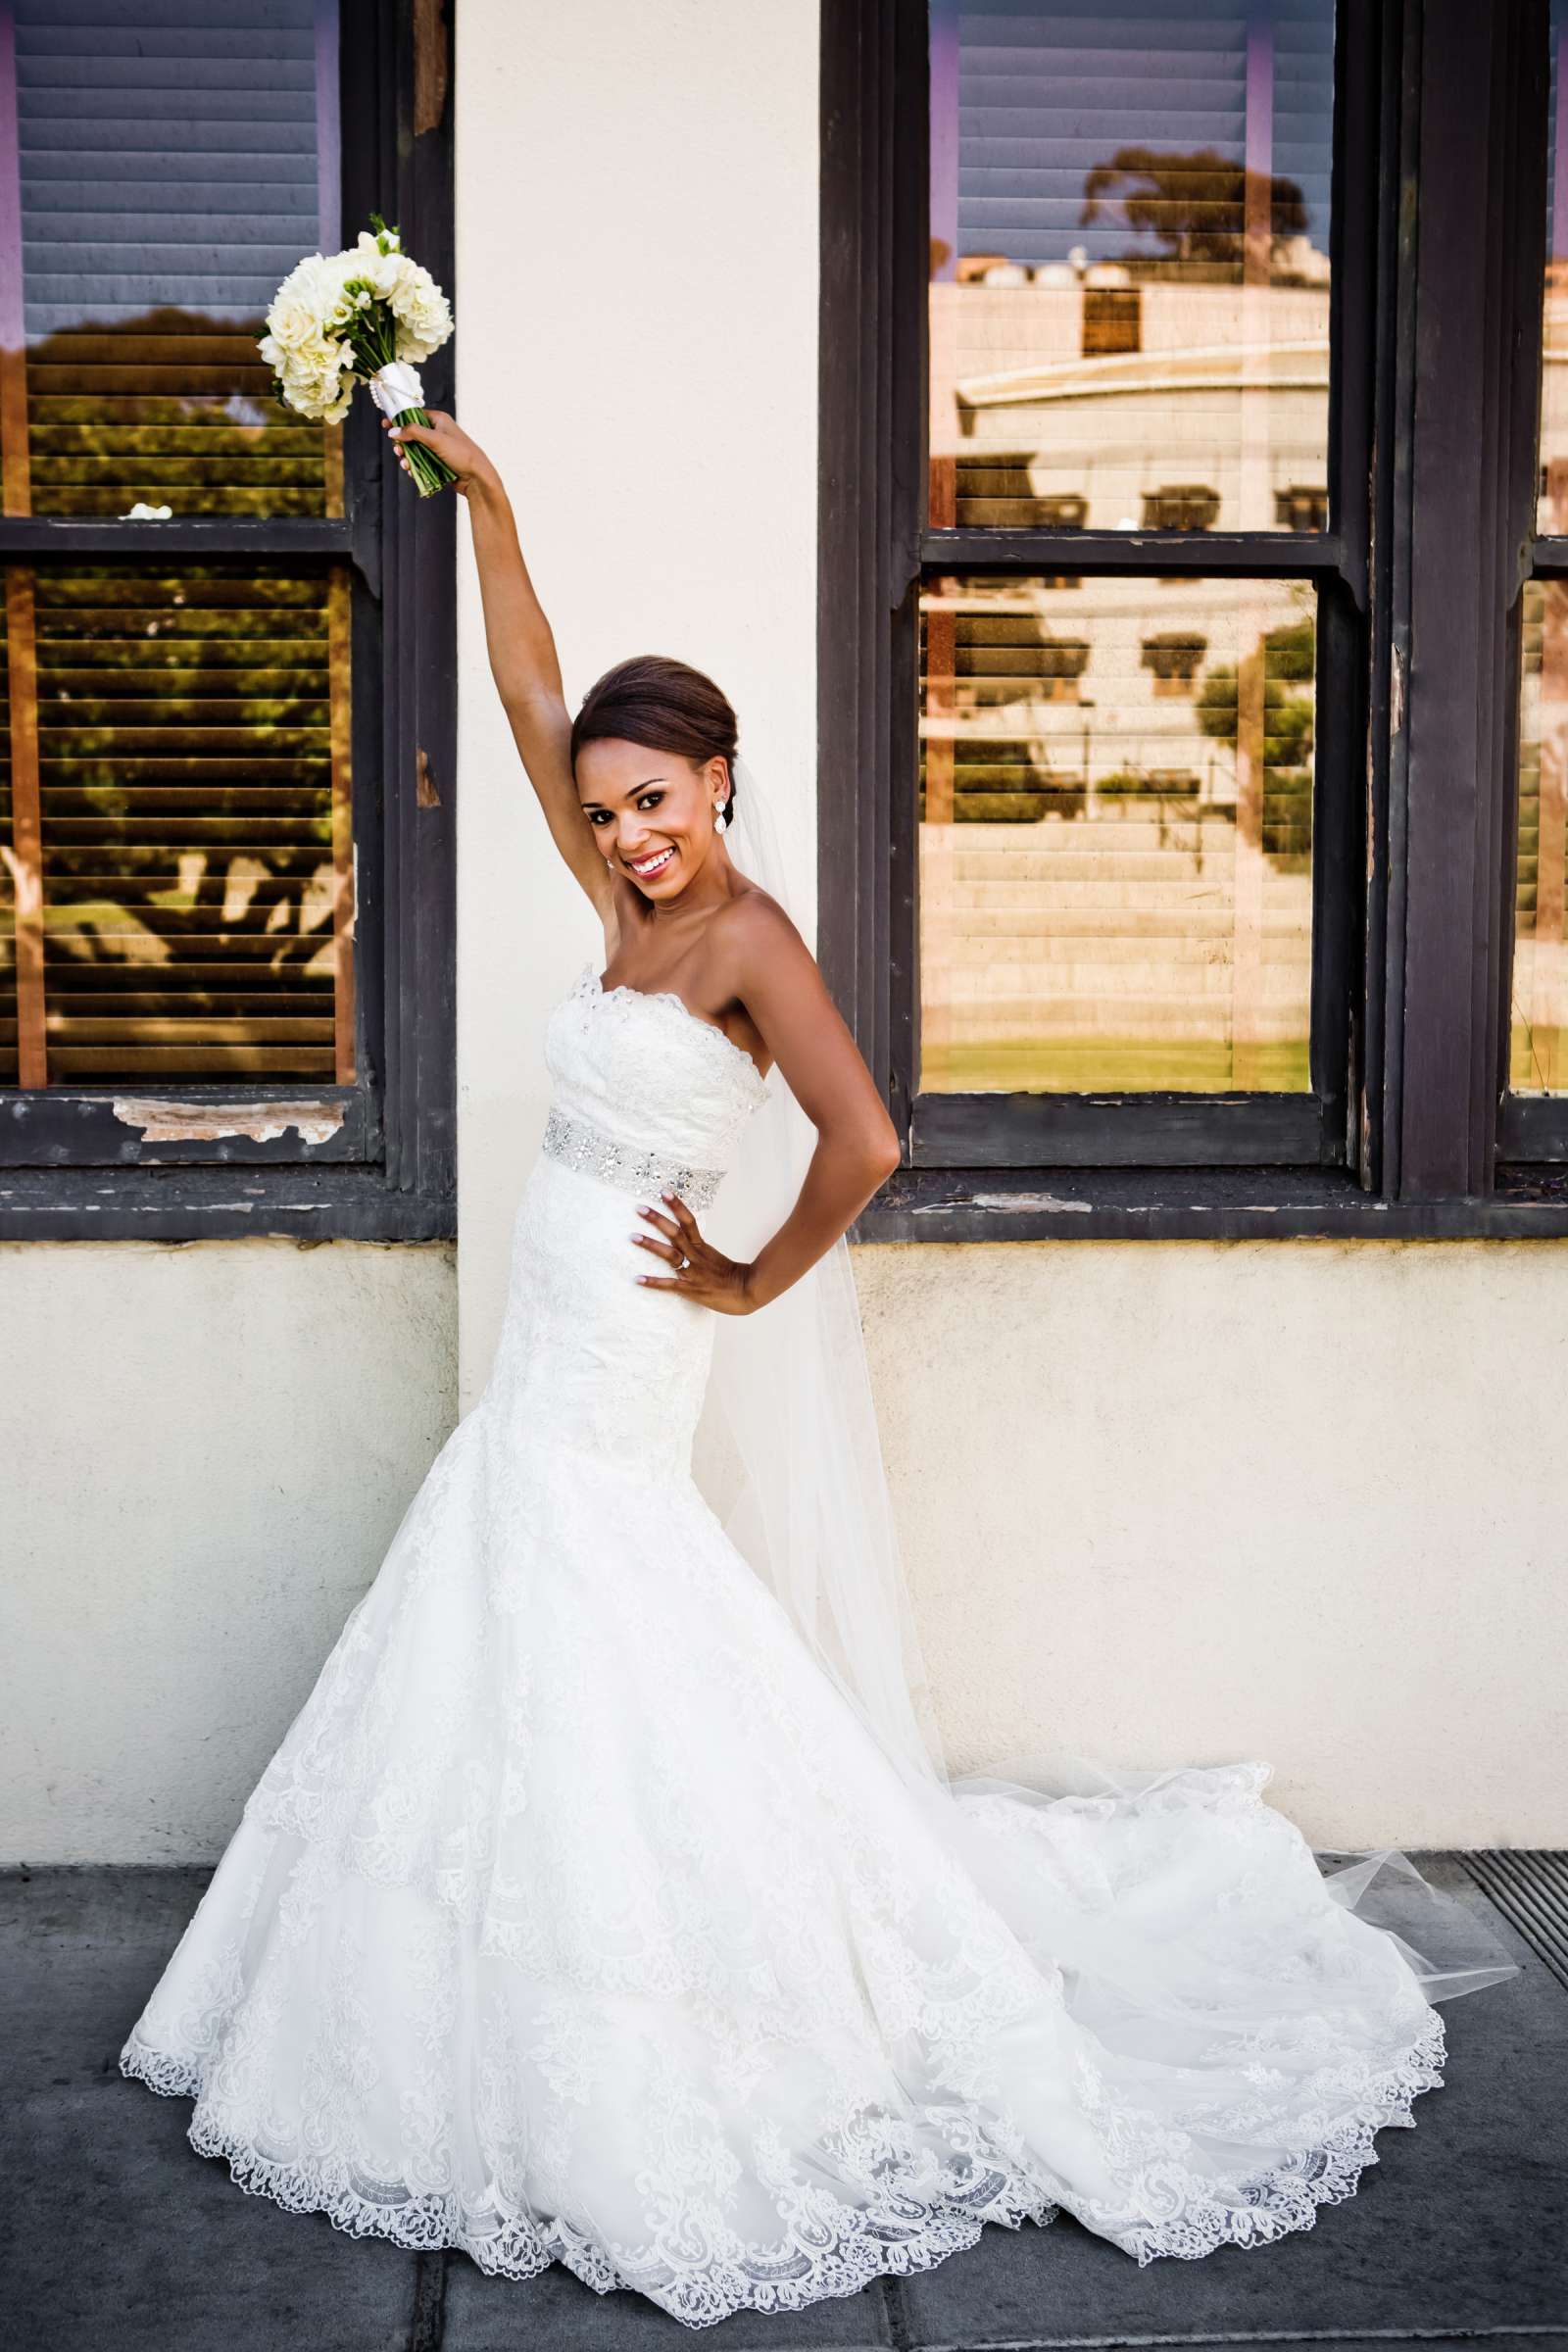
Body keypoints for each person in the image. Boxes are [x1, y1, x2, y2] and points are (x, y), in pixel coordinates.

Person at [121, 411, 1507, 2330]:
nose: (622, 830)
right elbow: (528, 690)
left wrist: (752, 1282)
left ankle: (703, 1993)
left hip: (623, 1344)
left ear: (717, 783)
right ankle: (485, 1998)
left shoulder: (743, 940)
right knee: (513, 1609)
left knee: (605, 1603)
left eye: (654, 800)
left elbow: (863, 1137)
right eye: (605, 808)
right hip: (546, 1333)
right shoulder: (623, 911)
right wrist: (499, 505)